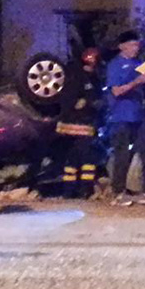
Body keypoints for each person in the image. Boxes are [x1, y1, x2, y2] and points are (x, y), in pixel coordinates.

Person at [105, 30, 145, 207]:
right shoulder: (115, 65)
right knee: (122, 155)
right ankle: (118, 192)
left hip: (141, 115)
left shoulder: (139, 63)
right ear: (122, 46)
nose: (136, 48)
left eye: (137, 45)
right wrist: (137, 82)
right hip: (121, 116)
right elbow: (116, 91)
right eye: (132, 45)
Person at [56, 47, 104, 199]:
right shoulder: (78, 77)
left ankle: (73, 191)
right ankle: (81, 190)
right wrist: (87, 103)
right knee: (82, 159)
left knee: (75, 159)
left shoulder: (92, 78)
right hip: (79, 124)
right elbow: (73, 102)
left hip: (82, 124)